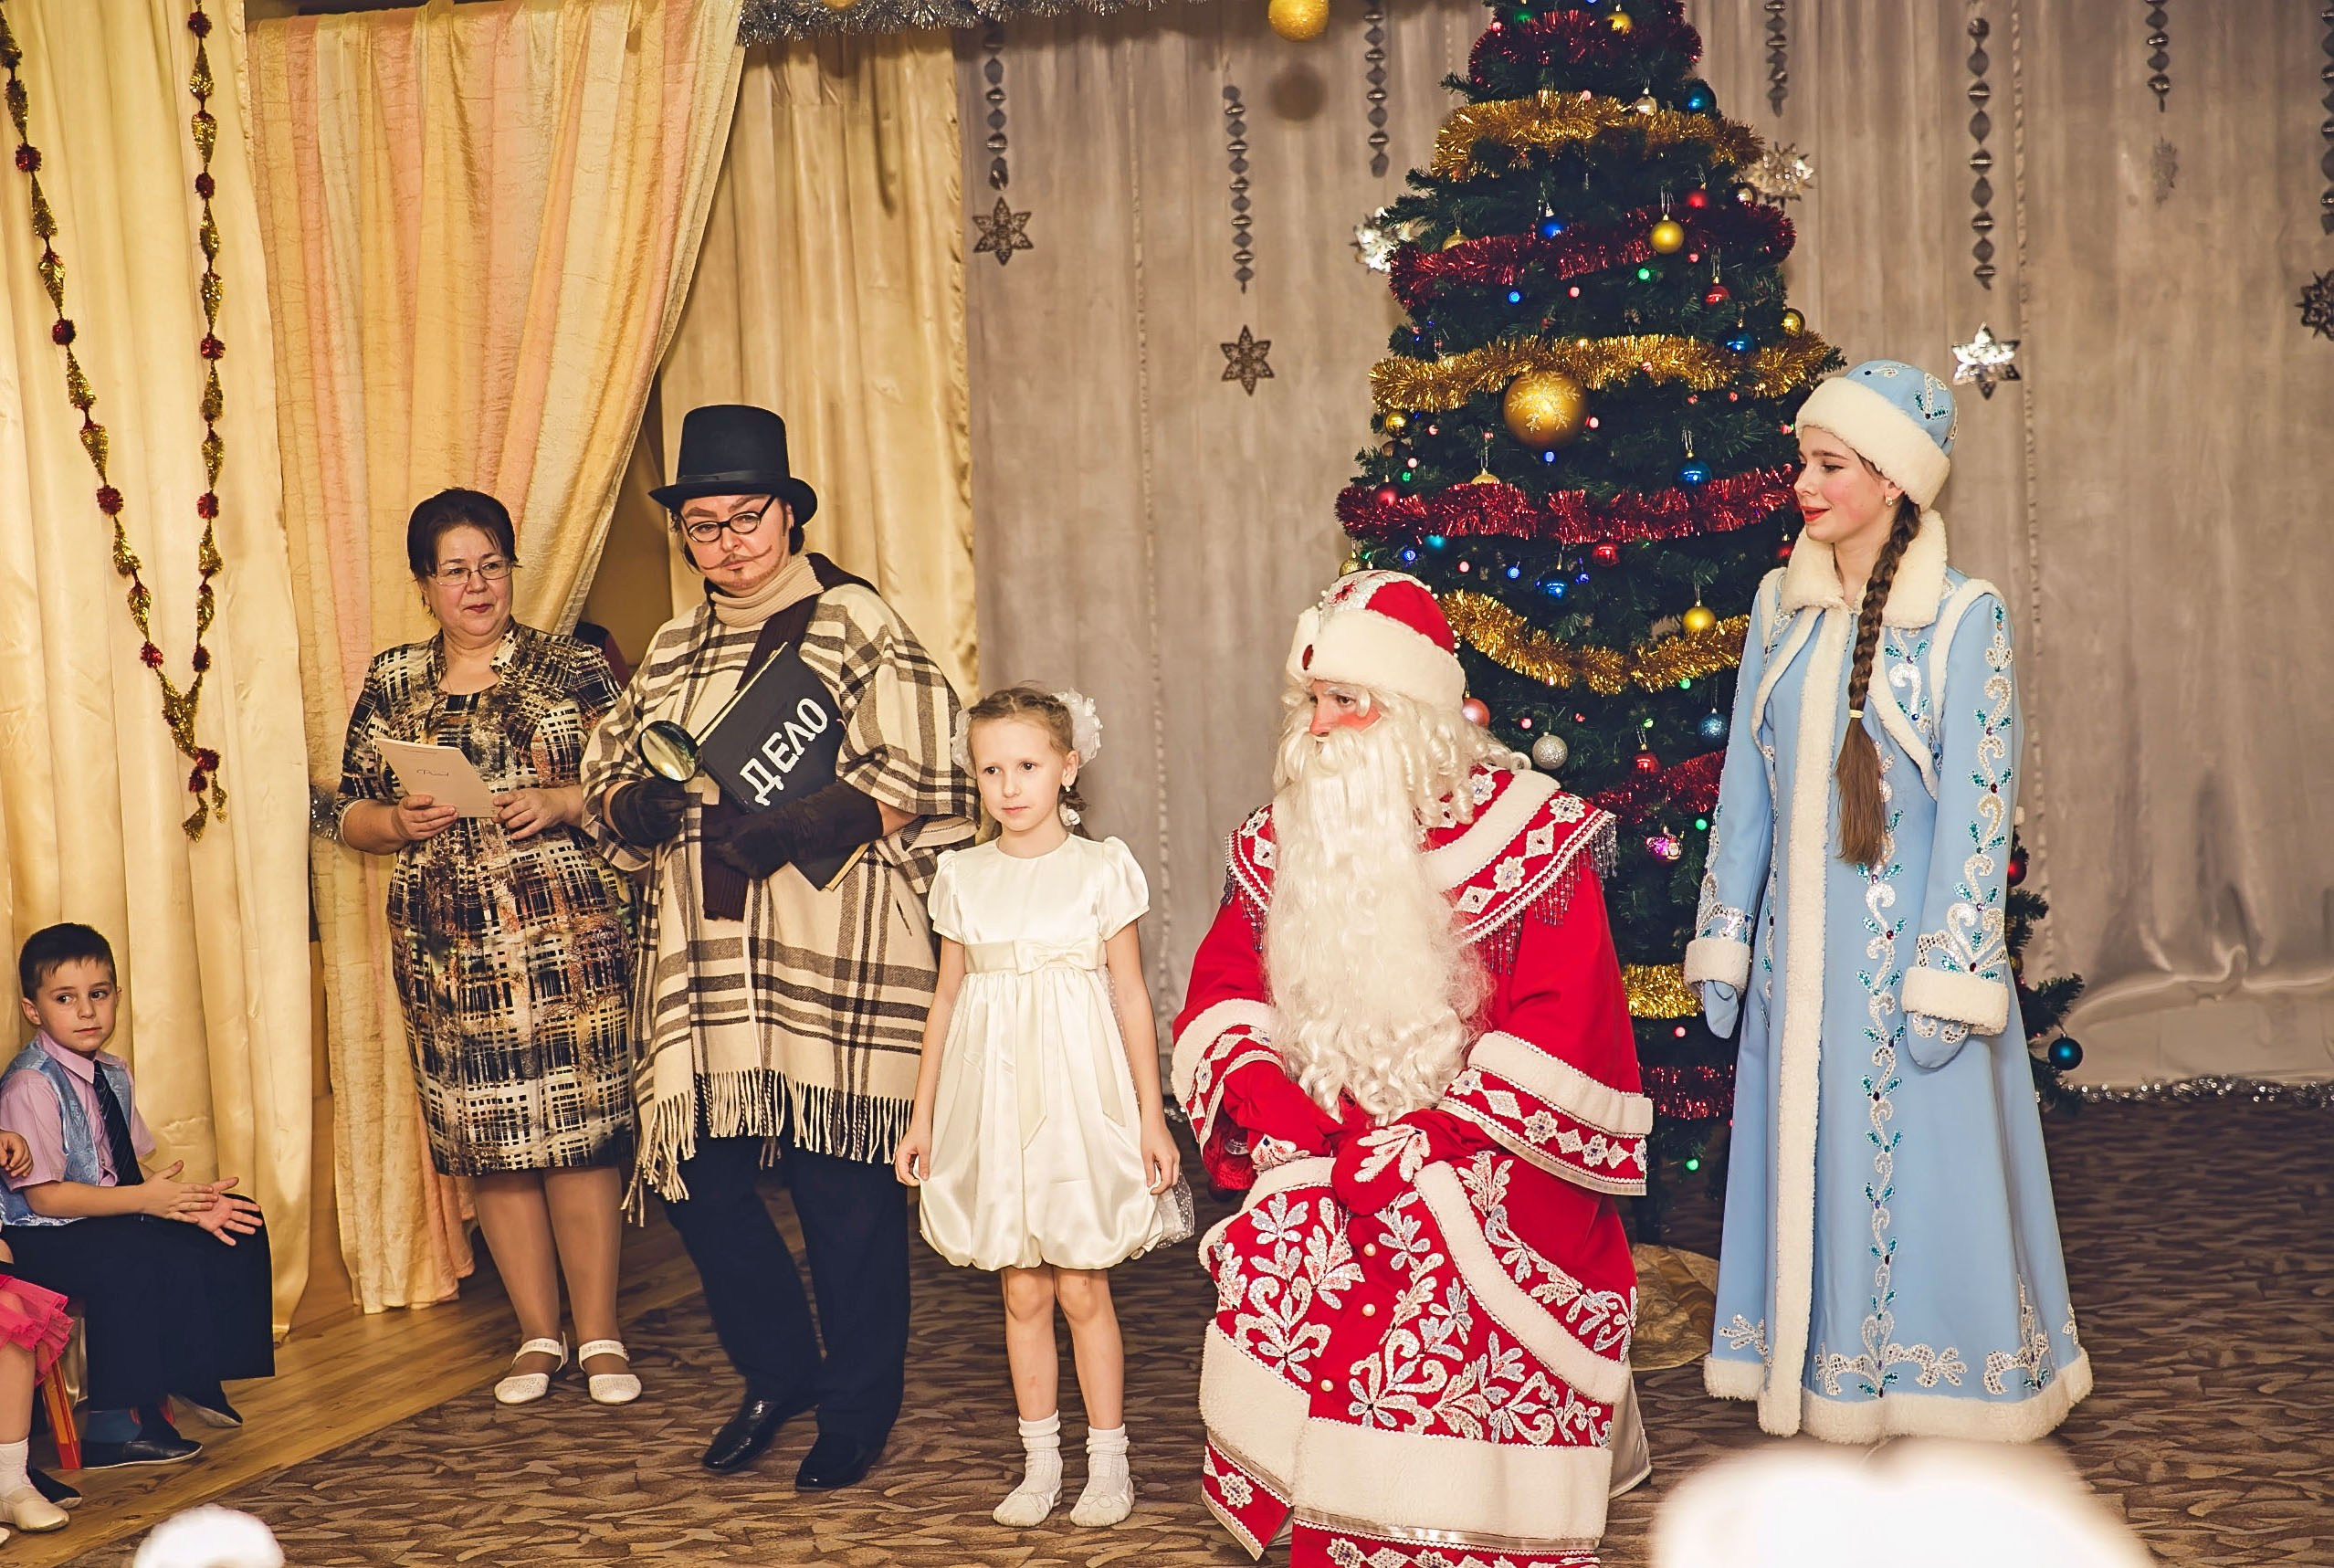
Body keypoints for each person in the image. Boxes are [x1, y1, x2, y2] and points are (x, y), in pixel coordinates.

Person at [1174, 571, 1651, 1568]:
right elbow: (1225, 987)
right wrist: (1275, 1101)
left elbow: (1567, 1025)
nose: (1319, 727)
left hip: (1484, 1139)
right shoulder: (1281, 838)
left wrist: (1436, 1135)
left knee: (1429, 1240)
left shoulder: (1530, 837)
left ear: (1414, 711)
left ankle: (1437, 1519)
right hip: (1328, 1124)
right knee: (1285, 1226)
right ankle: (1312, 1488)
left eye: (1346, 701)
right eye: (1311, 700)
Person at [1685, 361, 2088, 1442]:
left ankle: (1935, 1376)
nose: (1805, 485)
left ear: (1895, 480)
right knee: (1804, 1162)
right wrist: (1727, 934)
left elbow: (1979, 812)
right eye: (1803, 463)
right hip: (1794, 972)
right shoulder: (1779, 606)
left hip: (1905, 972)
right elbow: (1745, 791)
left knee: (1920, 1172)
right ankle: (1814, 1367)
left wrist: (1948, 974)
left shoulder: (1962, 618)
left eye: (1830, 466)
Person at [580, 405, 976, 1490]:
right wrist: (630, 805)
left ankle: (857, 1406)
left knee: (841, 1194)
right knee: (695, 1180)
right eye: (703, 525)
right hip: (704, 964)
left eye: (746, 517)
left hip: (828, 945)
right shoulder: (670, 646)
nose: (728, 543)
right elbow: (608, 775)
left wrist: (806, 822)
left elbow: (936, 767)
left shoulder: (853, 622)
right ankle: (778, 1370)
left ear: (789, 513)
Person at [336, 488, 639, 1408]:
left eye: (492, 565)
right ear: (424, 584)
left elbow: (636, 786)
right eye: (456, 570)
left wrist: (563, 800)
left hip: (565, 934)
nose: (477, 585)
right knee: (494, 1141)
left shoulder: (572, 665)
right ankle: (537, 1334)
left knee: (578, 1135)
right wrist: (397, 818)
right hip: (446, 946)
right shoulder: (394, 679)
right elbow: (343, 810)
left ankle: (601, 1334)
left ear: (512, 569)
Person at [892, 687, 1186, 1531]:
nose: (1009, 785)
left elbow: (1130, 996)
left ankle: (1109, 1459)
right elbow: (947, 999)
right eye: (991, 769)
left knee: (1082, 1285)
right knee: (1021, 1289)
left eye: (1026, 764)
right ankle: (1040, 1460)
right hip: (993, 1099)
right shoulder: (962, 875)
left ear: (1068, 765)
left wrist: (1151, 1113)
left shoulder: (1101, 868)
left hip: (1078, 1099)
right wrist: (923, 1116)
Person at [0, 924, 274, 1469]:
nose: (86, 1012)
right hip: (37, 1235)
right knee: (131, 1256)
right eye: (65, 999)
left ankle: (197, 1372)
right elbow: (46, 1199)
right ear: (33, 1011)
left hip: (101, 1215)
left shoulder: (113, 1072)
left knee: (237, 1221)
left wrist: (190, 1202)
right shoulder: (31, 1084)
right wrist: (147, 1203)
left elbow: (125, 1167)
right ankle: (112, 1424)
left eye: (98, 994)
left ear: (117, 997)